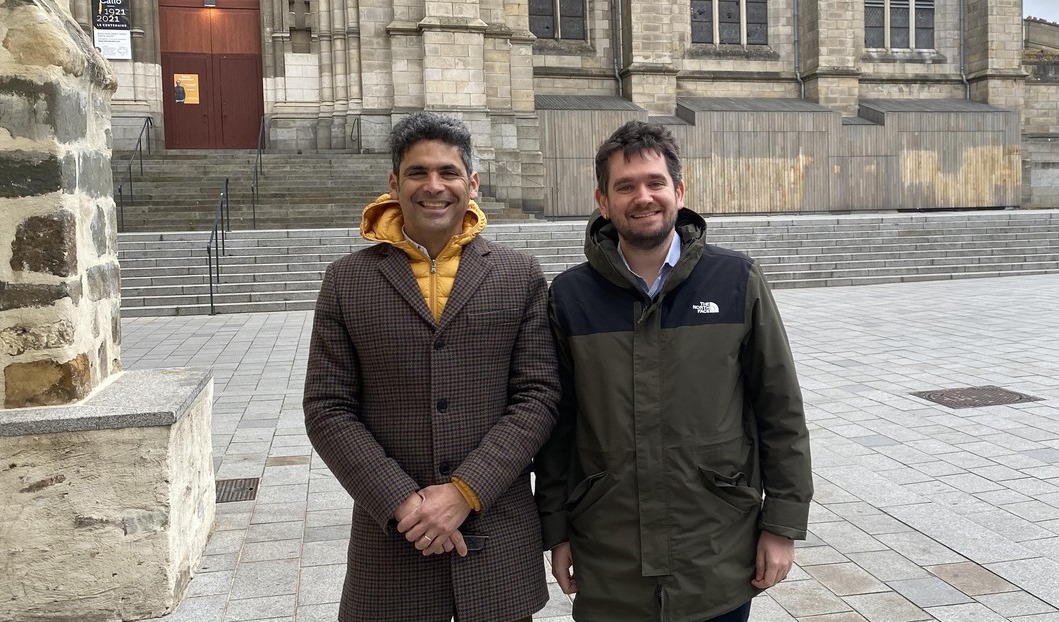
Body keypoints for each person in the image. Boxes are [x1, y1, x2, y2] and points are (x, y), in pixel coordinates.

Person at [533, 120, 813, 622]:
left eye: (655, 183)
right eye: (626, 186)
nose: (643, 197)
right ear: (603, 201)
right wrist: (556, 530)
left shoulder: (736, 280)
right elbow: (557, 427)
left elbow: (780, 411)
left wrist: (782, 524)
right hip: (609, 555)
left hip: (716, 551)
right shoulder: (570, 297)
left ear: (679, 192)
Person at [303, 111, 560, 622]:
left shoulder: (518, 274)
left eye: (448, 172)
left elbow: (538, 396)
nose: (434, 186)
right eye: (418, 173)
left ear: (473, 183)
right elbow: (327, 408)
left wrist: (466, 491)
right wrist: (403, 502)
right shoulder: (347, 281)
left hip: (495, 543)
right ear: (394, 184)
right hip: (395, 547)